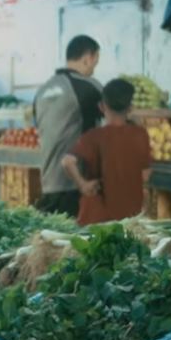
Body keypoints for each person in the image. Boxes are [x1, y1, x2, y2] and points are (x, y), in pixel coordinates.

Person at [61, 79, 151, 225]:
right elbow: (145, 175)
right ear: (130, 108)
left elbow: (67, 162)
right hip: (130, 217)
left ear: (102, 107)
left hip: (97, 219)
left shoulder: (94, 136)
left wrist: (83, 184)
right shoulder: (140, 135)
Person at [33, 35, 103, 218]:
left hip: (49, 182)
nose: (94, 70)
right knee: (78, 241)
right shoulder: (88, 86)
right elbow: (119, 117)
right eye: (95, 63)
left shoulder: (42, 91)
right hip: (75, 184)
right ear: (88, 58)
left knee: (53, 240)